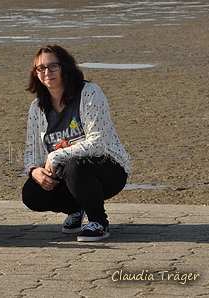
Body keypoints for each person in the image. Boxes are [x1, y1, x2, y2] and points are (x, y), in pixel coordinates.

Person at [22, 45, 130, 242]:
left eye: (53, 66)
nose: (47, 72)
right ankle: (74, 209)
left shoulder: (89, 92)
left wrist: (55, 155)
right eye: (41, 68)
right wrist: (33, 171)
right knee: (32, 193)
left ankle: (99, 222)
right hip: (67, 173)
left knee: (76, 166)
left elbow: (97, 143)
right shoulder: (37, 107)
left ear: (65, 67)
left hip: (107, 169)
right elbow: (32, 150)